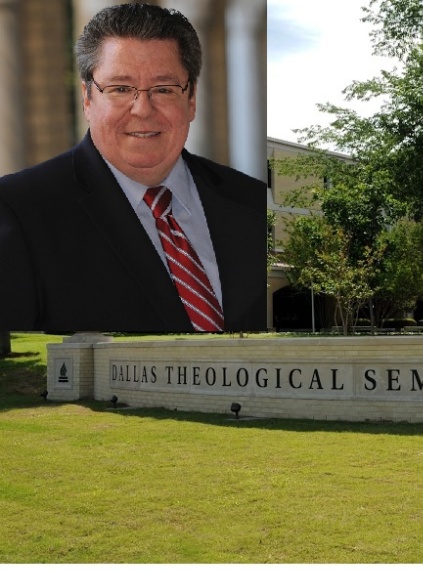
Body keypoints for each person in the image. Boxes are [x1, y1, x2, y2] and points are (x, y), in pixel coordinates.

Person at [0, 3, 266, 333]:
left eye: (164, 89)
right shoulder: (19, 211)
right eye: (120, 89)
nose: (142, 109)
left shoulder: (253, 202)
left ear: (191, 98)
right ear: (87, 98)